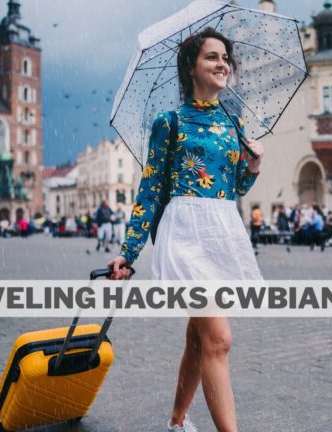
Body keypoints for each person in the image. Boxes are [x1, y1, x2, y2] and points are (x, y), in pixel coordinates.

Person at [106, 27, 264, 432]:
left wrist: (252, 166)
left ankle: (177, 422)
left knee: (199, 338)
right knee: (218, 338)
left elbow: (234, 188)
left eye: (226, 57)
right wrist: (129, 251)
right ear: (191, 67)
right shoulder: (170, 122)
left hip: (223, 229)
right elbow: (151, 187)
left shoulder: (233, 122)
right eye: (212, 57)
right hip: (186, 235)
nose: (222, 63)